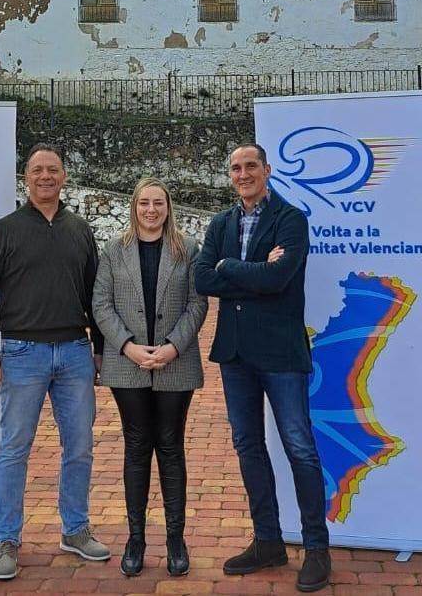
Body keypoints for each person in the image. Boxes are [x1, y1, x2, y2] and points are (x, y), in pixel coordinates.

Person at [194, 143, 332, 592]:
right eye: (235, 168)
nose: (243, 173)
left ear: (267, 170)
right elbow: (202, 278)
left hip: (280, 355)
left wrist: (231, 268)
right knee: (248, 446)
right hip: (235, 355)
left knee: (299, 447)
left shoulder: (291, 219)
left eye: (250, 165)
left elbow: (278, 279)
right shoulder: (221, 222)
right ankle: (268, 541)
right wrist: (252, 273)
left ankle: (316, 548)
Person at [0, 144, 109, 581]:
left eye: (52, 170)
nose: (45, 177)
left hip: (73, 353)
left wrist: (99, 347)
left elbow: (96, 297)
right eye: (36, 171)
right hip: (21, 354)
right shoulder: (5, 231)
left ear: (64, 176)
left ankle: (76, 529)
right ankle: (7, 539)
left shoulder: (80, 230)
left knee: (80, 447)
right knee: (14, 450)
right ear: (25, 178)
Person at [92, 177, 207, 578]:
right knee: (137, 445)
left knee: (171, 445)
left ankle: (176, 538)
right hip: (128, 363)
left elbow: (198, 302)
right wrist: (127, 346)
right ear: (134, 206)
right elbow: (100, 303)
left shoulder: (188, 249)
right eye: (144, 202)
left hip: (176, 362)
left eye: (158, 202)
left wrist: (174, 345)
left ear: (168, 207)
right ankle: (136, 538)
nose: (151, 210)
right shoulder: (113, 250)